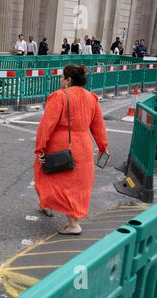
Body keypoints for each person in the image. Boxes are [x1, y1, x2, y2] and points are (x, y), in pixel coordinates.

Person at [35, 64, 109, 235]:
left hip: (60, 146)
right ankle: (53, 208)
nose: (61, 80)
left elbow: (47, 125)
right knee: (75, 185)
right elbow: (98, 126)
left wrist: (40, 147)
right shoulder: (91, 98)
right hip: (83, 146)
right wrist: (103, 146)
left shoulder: (60, 96)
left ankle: (71, 222)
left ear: (68, 80)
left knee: (47, 174)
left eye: (62, 77)